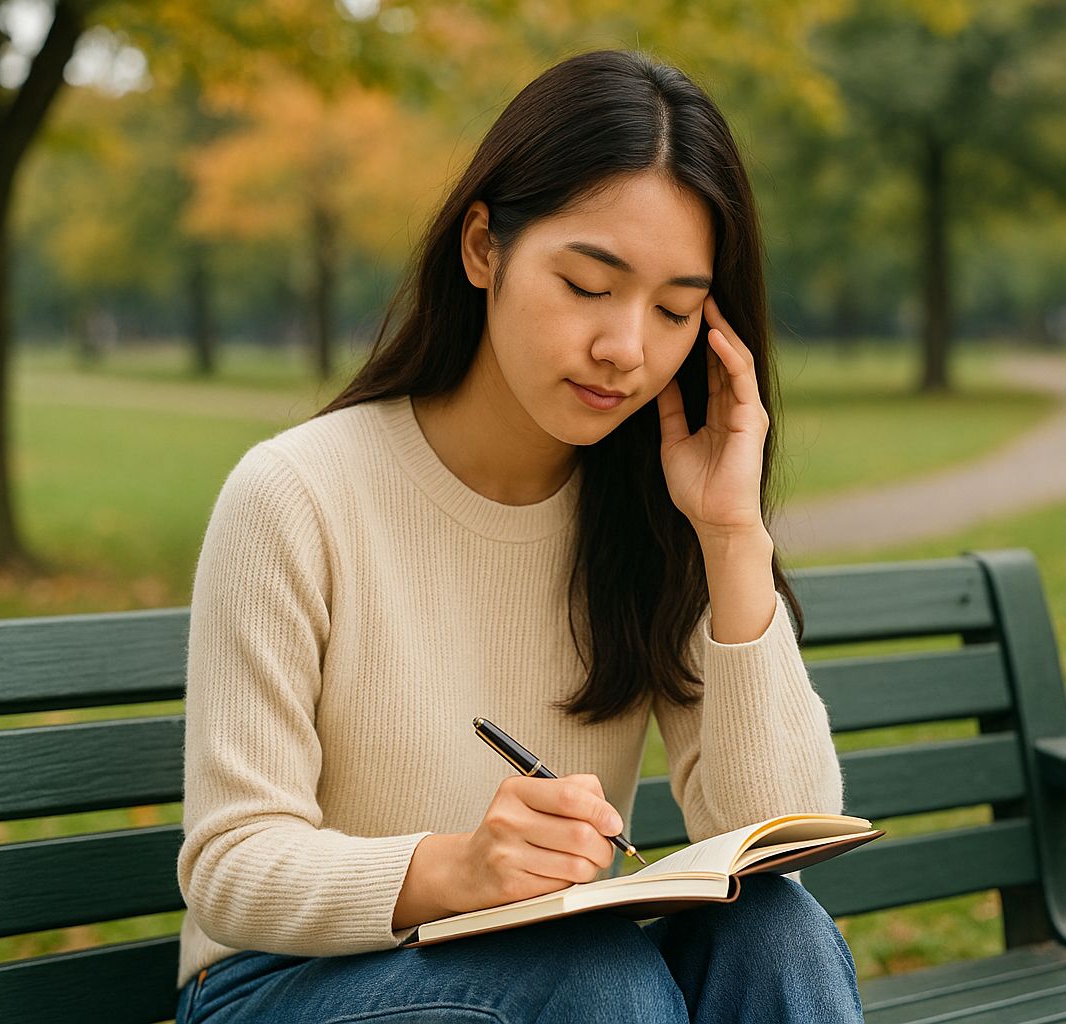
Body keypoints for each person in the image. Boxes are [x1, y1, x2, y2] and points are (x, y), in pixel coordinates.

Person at [174, 48, 863, 1024]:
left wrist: (730, 535)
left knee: (776, 932)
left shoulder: (652, 513)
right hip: (285, 981)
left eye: (673, 310)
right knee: (592, 976)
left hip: (549, 965)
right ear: (484, 247)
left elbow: (771, 834)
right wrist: (458, 867)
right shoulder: (298, 493)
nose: (627, 347)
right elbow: (230, 867)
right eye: (589, 285)